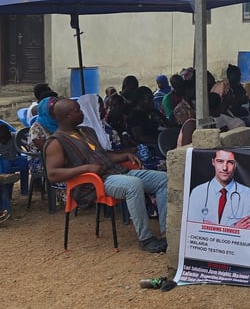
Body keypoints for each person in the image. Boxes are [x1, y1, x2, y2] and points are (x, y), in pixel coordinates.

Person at [44, 98, 168, 253]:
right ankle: (146, 239)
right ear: (67, 116)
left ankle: (167, 231)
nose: (82, 113)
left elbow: (102, 155)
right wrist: (86, 168)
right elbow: (53, 174)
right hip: (92, 183)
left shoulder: (86, 131)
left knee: (163, 179)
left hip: (115, 172)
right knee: (133, 185)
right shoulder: (56, 142)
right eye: (77, 110)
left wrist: (124, 155)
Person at [186, 149, 250, 229]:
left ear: (236, 164)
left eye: (230, 162)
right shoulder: (197, 192)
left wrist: (210, 228)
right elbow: (193, 228)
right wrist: (234, 228)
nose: (224, 168)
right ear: (213, 162)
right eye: (220, 161)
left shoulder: (249, 195)